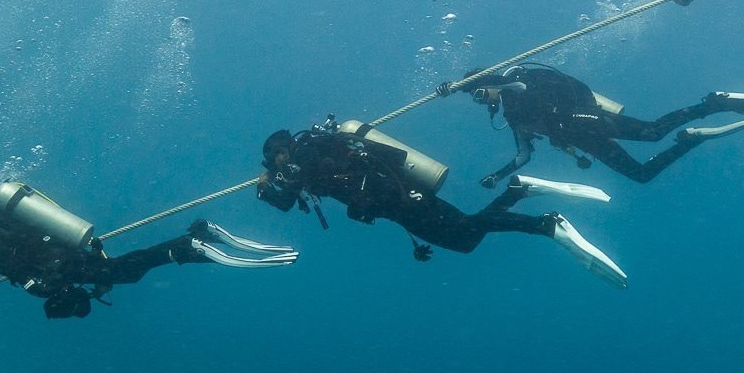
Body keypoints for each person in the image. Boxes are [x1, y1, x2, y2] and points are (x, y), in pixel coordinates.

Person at [256, 118, 628, 286]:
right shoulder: (313, 155)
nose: (276, 167)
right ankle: (518, 191)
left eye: (273, 160)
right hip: (399, 206)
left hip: (403, 199)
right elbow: (304, 192)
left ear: (282, 152)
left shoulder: (307, 156)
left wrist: (264, 188)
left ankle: (544, 224)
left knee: (466, 231)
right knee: (466, 239)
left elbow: (287, 200)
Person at [0, 178, 298, 318]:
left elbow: (9, 255)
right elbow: (13, 248)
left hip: (55, 262)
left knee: (124, 271)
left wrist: (33, 282)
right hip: (58, 256)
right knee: (120, 271)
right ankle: (192, 243)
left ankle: (189, 246)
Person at [439, 63, 744, 186]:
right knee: (640, 176)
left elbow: (511, 83)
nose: (479, 100)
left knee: (652, 132)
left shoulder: (516, 80)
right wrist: (498, 176)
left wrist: (460, 85)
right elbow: (523, 157)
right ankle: (691, 139)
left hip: (582, 119)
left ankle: (714, 103)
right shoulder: (513, 118)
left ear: (486, 82)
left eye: (479, 93)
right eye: (476, 97)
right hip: (586, 140)